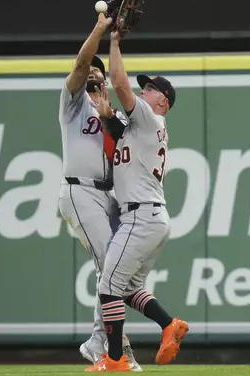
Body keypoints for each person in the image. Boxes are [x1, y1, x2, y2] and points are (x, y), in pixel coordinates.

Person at [84, 30, 189, 373]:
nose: (144, 90)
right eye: (144, 87)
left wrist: (113, 43)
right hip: (152, 218)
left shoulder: (149, 117)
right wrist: (104, 110)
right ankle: (169, 325)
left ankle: (115, 359)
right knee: (127, 289)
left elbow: (120, 82)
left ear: (163, 102)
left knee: (108, 285)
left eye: (150, 88)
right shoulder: (139, 126)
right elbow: (115, 124)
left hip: (140, 217)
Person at [56, 12, 142, 371]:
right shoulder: (73, 104)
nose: (90, 76)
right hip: (79, 191)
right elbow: (79, 63)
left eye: (97, 75)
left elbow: (126, 153)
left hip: (108, 197)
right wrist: (100, 30)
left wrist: (110, 117)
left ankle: (101, 340)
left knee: (116, 268)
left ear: (105, 81)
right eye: (87, 75)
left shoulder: (114, 115)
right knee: (109, 262)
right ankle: (107, 341)